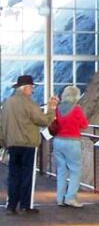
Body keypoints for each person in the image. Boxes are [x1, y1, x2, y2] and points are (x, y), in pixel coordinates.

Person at [0, 75, 59, 215]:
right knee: (27, 175)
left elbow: (1, 125)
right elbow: (43, 121)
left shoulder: (7, 103)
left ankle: (11, 206)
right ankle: (25, 206)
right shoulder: (30, 104)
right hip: (27, 145)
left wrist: (3, 141)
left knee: (13, 175)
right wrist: (52, 109)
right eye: (31, 88)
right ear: (25, 88)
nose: (32, 91)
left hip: (12, 144)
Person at [53, 85, 89, 208]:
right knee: (75, 170)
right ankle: (70, 198)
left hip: (57, 141)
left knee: (61, 170)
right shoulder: (76, 109)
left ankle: (60, 198)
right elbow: (84, 124)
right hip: (72, 142)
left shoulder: (58, 109)